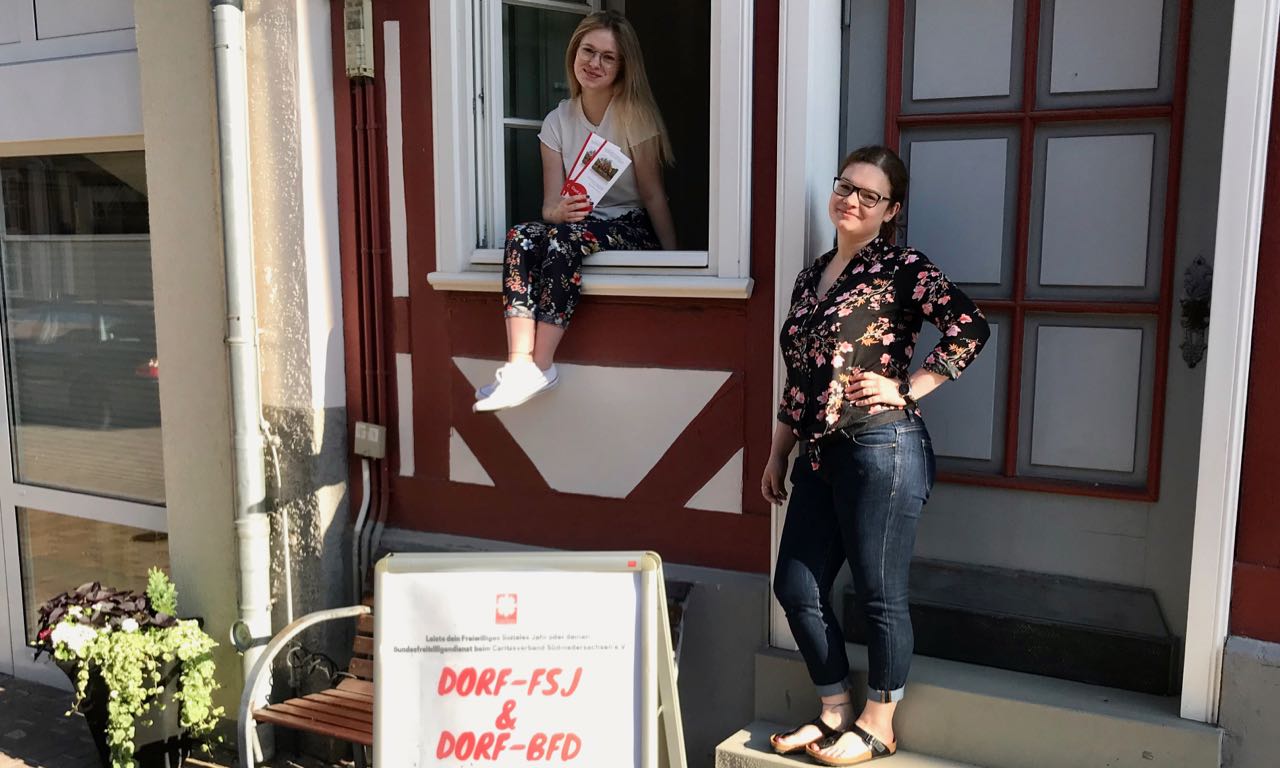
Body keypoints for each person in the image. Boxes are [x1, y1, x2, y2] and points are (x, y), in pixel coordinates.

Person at [763, 145, 989, 765]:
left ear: (891, 211)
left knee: (879, 594)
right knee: (796, 586)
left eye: (870, 195)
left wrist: (909, 388)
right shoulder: (811, 276)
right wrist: (778, 453)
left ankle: (880, 722)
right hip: (817, 453)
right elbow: (799, 377)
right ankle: (835, 707)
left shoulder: (902, 267)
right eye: (846, 187)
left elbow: (969, 327)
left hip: (881, 447)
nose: (852, 201)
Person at [474, 10, 677, 412]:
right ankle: (518, 365)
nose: (594, 63)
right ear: (573, 53)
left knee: (563, 239)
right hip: (578, 225)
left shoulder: (634, 115)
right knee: (520, 235)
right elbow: (549, 207)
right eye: (588, 51)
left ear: (623, 67)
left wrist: (675, 261)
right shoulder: (557, 121)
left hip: (630, 225)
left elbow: (654, 196)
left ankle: (542, 366)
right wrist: (560, 210)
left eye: (608, 57)